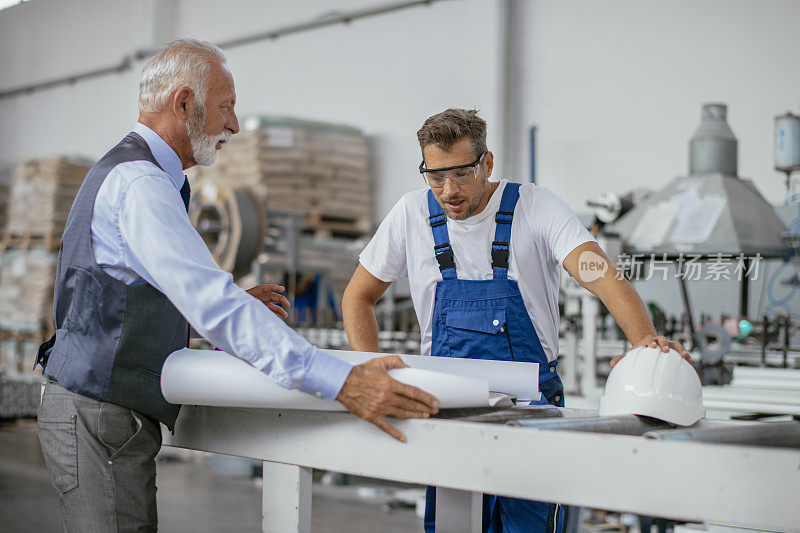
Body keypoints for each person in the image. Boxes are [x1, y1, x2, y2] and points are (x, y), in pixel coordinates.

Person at [36, 39, 438, 532]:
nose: (234, 125)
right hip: (98, 418)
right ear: (184, 104)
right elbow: (213, 303)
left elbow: (125, 293)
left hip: (98, 416)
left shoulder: (135, 175)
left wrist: (210, 308)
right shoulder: (140, 185)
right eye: (226, 107)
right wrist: (342, 381)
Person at [342, 108, 691, 533]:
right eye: (435, 176)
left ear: (487, 164)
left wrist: (642, 338)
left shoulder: (535, 207)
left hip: (531, 413)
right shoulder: (410, 214)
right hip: (447, 412)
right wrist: (371, 370)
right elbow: (358, 297)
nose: (448, 190)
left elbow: (599, 274)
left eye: (462, 174)